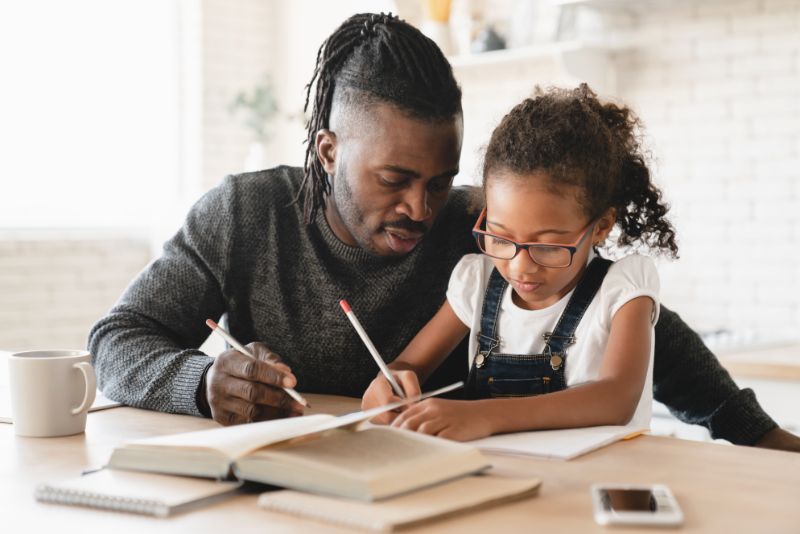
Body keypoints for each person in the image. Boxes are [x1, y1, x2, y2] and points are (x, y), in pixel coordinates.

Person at [88, 12, 799, 452]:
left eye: (439, 179)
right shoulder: (242, 216)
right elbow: (119, 339)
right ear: (330, 150)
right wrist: (203, 380)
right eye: (394, 179)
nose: (422, 210)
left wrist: (760, 434)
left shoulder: (483, 229)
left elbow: (643, 334)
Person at [362, 85, 677, 441]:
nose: (520, 267)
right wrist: (390, 382)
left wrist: (484, 416)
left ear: (601, 226)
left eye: (547, 246)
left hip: (599, 480)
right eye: (499, 238)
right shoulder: (477, 282)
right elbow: (410, 365)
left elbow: (616, 399)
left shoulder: (623, 289)